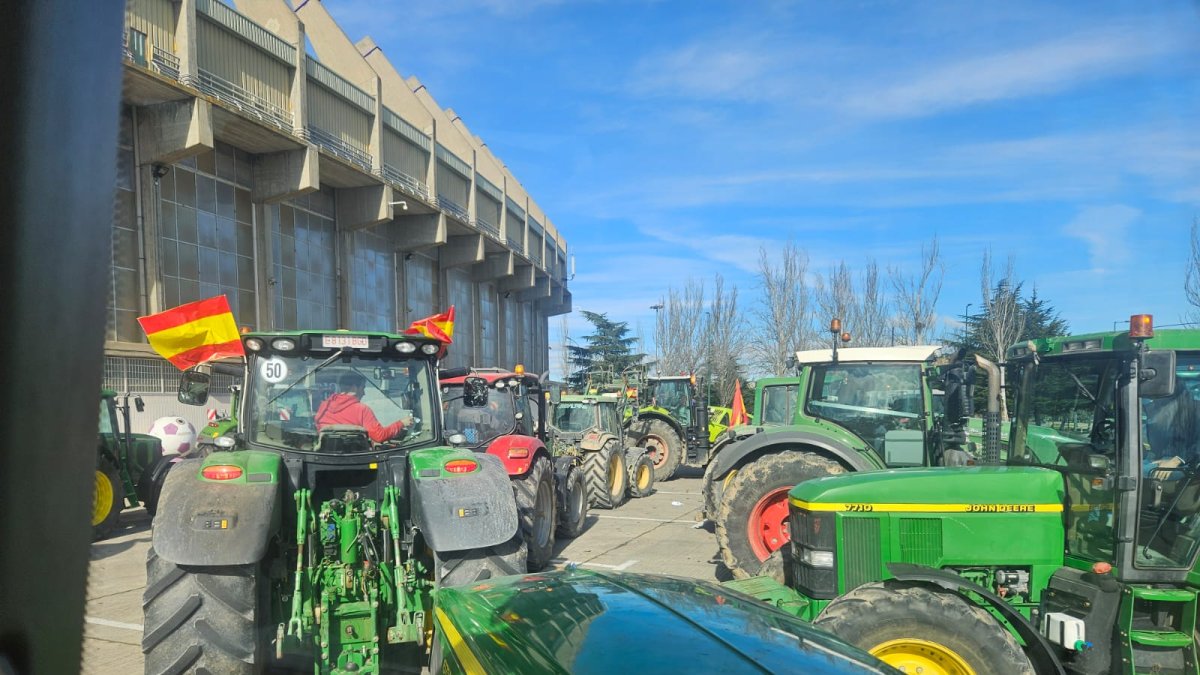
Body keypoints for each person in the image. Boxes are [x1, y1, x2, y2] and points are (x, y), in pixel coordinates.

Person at [315, 372, 411, 443]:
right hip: (356, 458)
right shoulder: (361, 410)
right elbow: (379, 436)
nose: (364, 393)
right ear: (354, 388)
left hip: (326, 455)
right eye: (363, 388)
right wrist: (401, 423)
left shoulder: (324, 406)